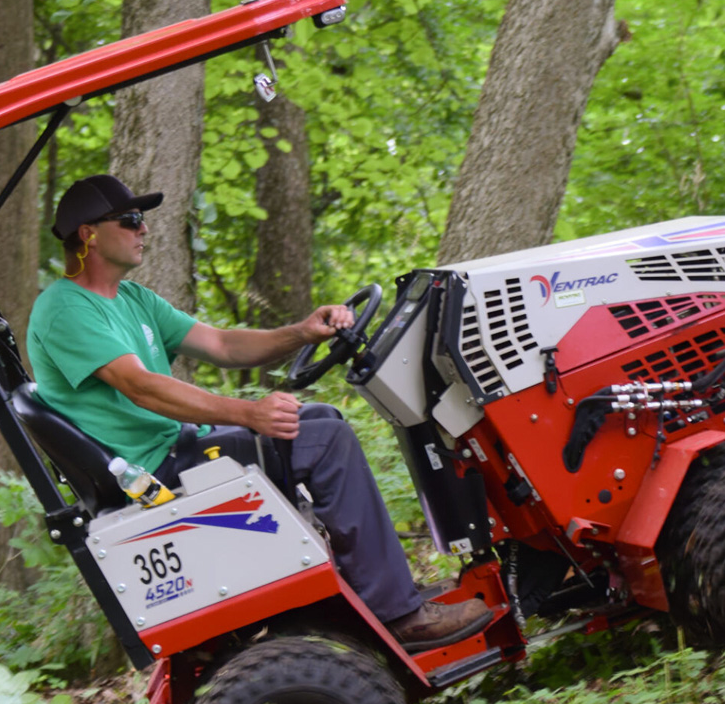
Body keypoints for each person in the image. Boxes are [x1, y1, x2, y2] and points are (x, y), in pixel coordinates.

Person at [26, 174, 490, 651]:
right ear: (89, 234)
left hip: (176, 447)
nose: (144, 229)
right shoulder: (65, 309)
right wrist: (248, 413)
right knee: (324, 441)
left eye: (142, 220)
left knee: (321, 419)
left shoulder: (132, 298)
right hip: (156, 473)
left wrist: (302, 332)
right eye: (131, 220)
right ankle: (399, 614)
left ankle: (378, 589)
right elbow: (139, 386)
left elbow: (222, 344)